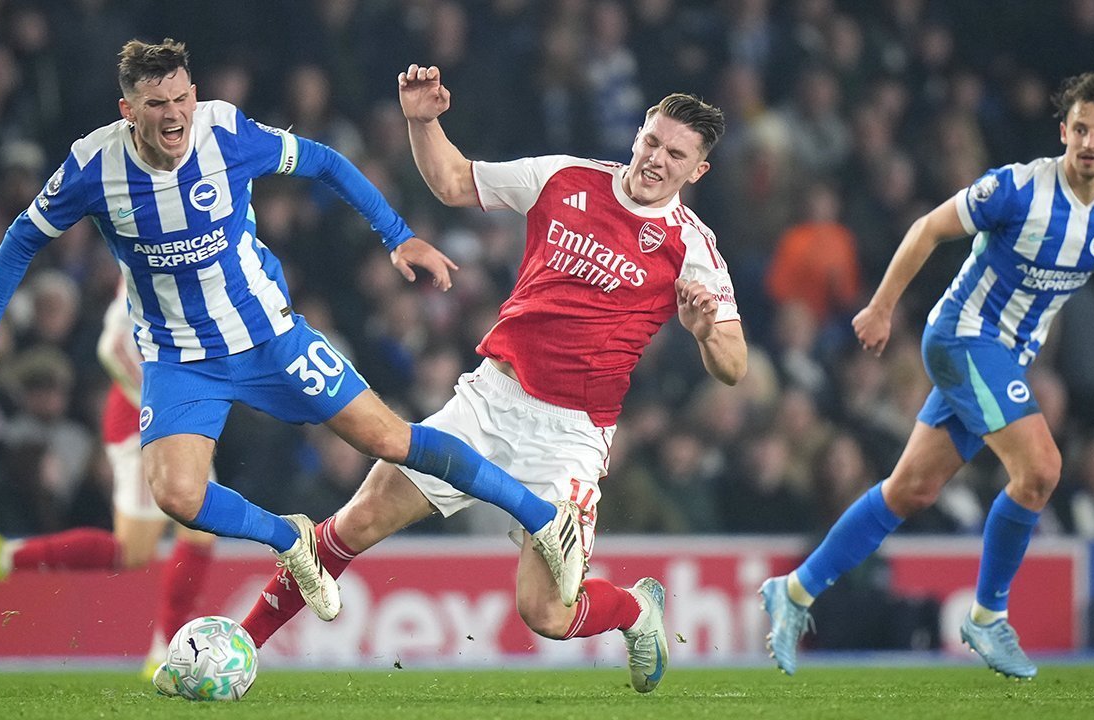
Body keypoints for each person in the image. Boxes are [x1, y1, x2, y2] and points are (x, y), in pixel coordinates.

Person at [0, 38, 585, 662]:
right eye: (156, 104)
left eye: (181, 98)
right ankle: (291, 537)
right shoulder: (94, 166)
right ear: (128, 111)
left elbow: (326, 162)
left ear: (194, 95)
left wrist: (398, 236)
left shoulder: (225, 133)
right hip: (181, 358)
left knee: (391, 439)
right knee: (178, 495)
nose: (174, 115)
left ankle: (542, 518)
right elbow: (19, 240)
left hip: (271, 340)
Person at [233, 65, 746, 695]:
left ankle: (637, 611)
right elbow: (453, 182)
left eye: (676, 154)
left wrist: (702, 329)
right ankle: (242, 645)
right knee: (355, 521)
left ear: (698, 171)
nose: (656, 160)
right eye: (651, 142)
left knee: (547, 614)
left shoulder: (694, 247)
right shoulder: (565, 178)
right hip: (490, 401)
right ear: (637, 134)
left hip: (571, 437)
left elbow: (734, 367)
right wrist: (424, 121)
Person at [759, 71, 1094, 680]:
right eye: (1080, 129)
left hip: (1008, 354)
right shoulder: (1016, 189)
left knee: (911, 490)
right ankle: (988, 616)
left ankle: (794, 592)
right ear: (1063, 132)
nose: (1089, 141)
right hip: (962, 337)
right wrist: (881, 306)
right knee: (1041, 469)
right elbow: (929, 227)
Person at [0, 287, 216, 679]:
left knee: (195, 533)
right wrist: (160, 408)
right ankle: (165, 654)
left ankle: (165, 653)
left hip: (167, 418)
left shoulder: (192, 247)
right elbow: (114, 346)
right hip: (145, 424)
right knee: (139, 549)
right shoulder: (152, 250)